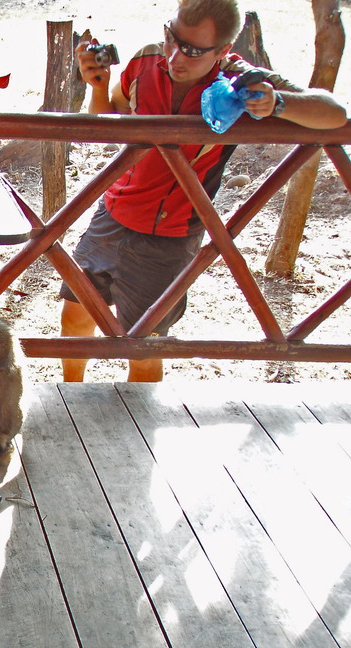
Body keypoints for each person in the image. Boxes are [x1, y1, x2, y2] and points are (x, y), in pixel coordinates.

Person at [60, 0, 347, 382]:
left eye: (193, 51)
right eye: (171, 38)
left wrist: (275, 104)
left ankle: (133, 431)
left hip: (170, 233)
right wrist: (96, 86)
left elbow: (334, 113)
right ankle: (70, 397)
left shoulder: (238, 79)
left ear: (224, 51)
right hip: (112, 212)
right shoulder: (145, 60)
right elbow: (110, 115)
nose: (175, 57)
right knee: (74, 316)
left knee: (143, 347)